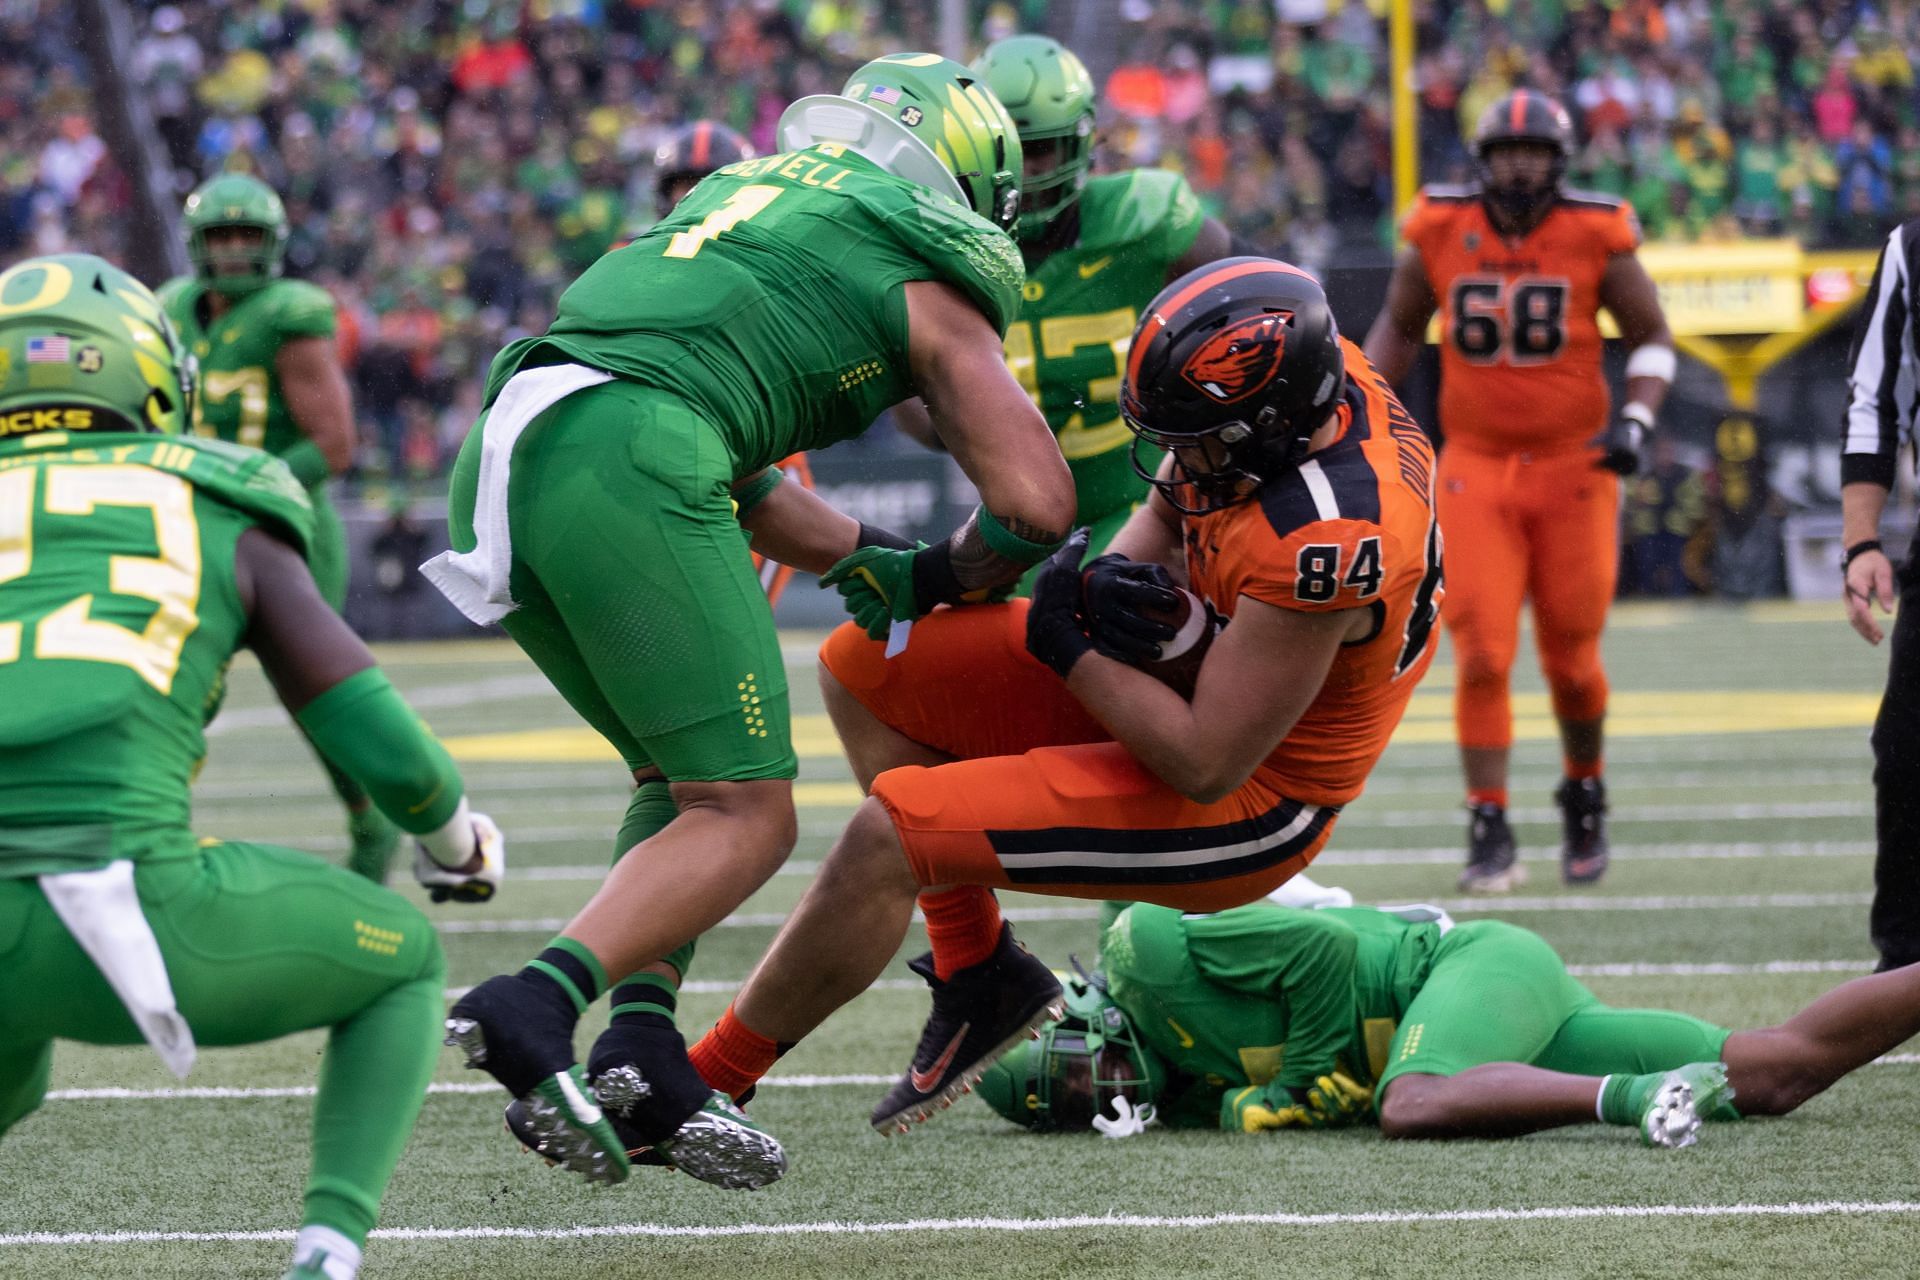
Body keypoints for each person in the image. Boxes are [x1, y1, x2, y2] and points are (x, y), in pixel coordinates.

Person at [422, 54, 1074, 1189]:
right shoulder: (918, 273)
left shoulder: (743, 204)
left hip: (516, 437)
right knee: (749, 812)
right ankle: (536, 1003)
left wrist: (890, 563)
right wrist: (972, 568)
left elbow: (758, 485)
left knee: (676, 783)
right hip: (635, 448)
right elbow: (1037, 500)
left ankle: (639, 1047)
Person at [687, 259, 1445, 1139]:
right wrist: (1115, 575)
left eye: (1200, 438)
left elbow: (1206, 761)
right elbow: (1173, 502)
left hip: (1258, 793)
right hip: (1202, 677)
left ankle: (704, 1081)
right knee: (865, 664)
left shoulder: (1330, 537)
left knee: (890, 835)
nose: (1177, 460)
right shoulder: (1304, 381)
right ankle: (979, 972)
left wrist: (1071, 645)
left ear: (1269, 430)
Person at [0, 254, 504, 1280]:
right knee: (402, 957)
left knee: (14, 1064)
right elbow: (373, 735)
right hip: (122, 897)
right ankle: (324, 1255)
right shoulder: (212, 496)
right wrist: (455, 839)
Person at [1362, 89, 1676, 893]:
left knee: (1572, 661)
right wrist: (1363, 408)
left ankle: (1584, 791)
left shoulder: (1595, 231)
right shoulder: (1437, 227)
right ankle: (1489, 821)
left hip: (1576, 468)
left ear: (1560, 158)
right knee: (1482, 654)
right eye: (1507, 151)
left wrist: (1637, 420)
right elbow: (1400, 327)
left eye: (1535, 151)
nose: (1521, 165)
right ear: (1482, 157)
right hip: (1474, 464)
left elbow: (1651, 337)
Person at [977, 895, 1920, 1149]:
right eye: (1066, 1101)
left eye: (1067, 1064)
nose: (1089, 1086)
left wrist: (1302, 1080)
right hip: (1495, 1038)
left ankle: (1635, 1100)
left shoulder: (1149, 949)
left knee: (1412, 1104)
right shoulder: (1185, 1101)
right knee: (1775, 1074)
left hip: (1465, 972)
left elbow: (1326, 955)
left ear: (1076, 1017)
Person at [894, 35, 1234, 591]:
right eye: (1006, 146)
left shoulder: (1143, 220)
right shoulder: (943, 250)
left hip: (1138, 506)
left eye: (1040, 147)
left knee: (1082, 624)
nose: (1022, 169)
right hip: (1017, 523)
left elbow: (1260, 297)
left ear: (1080, 142)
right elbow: (930, 428)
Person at [156, 173, 397, 883]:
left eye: (247, 237)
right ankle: (153, 826)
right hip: (194, 524)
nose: (233, 252)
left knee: (316, 695)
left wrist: (242, 479)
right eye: (222, 237)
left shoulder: (292, 315)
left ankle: (370, 820)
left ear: (273, 245)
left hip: (286, 529)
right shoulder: (170, 309)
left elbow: (334, 446)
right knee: (174, 678)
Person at [651, 119, 816, 610]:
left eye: (710, 186)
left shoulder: (777, 258)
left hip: (762, 467)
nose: (695, 202)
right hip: (668, 458)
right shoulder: (632, 260)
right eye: (684, 189)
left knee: (737, 621)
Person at [1840, 216, 1920, 974]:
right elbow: (1872, 402)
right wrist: (1862, 542)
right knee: (1906, 751)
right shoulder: (1911, 249)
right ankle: (1903, 968)